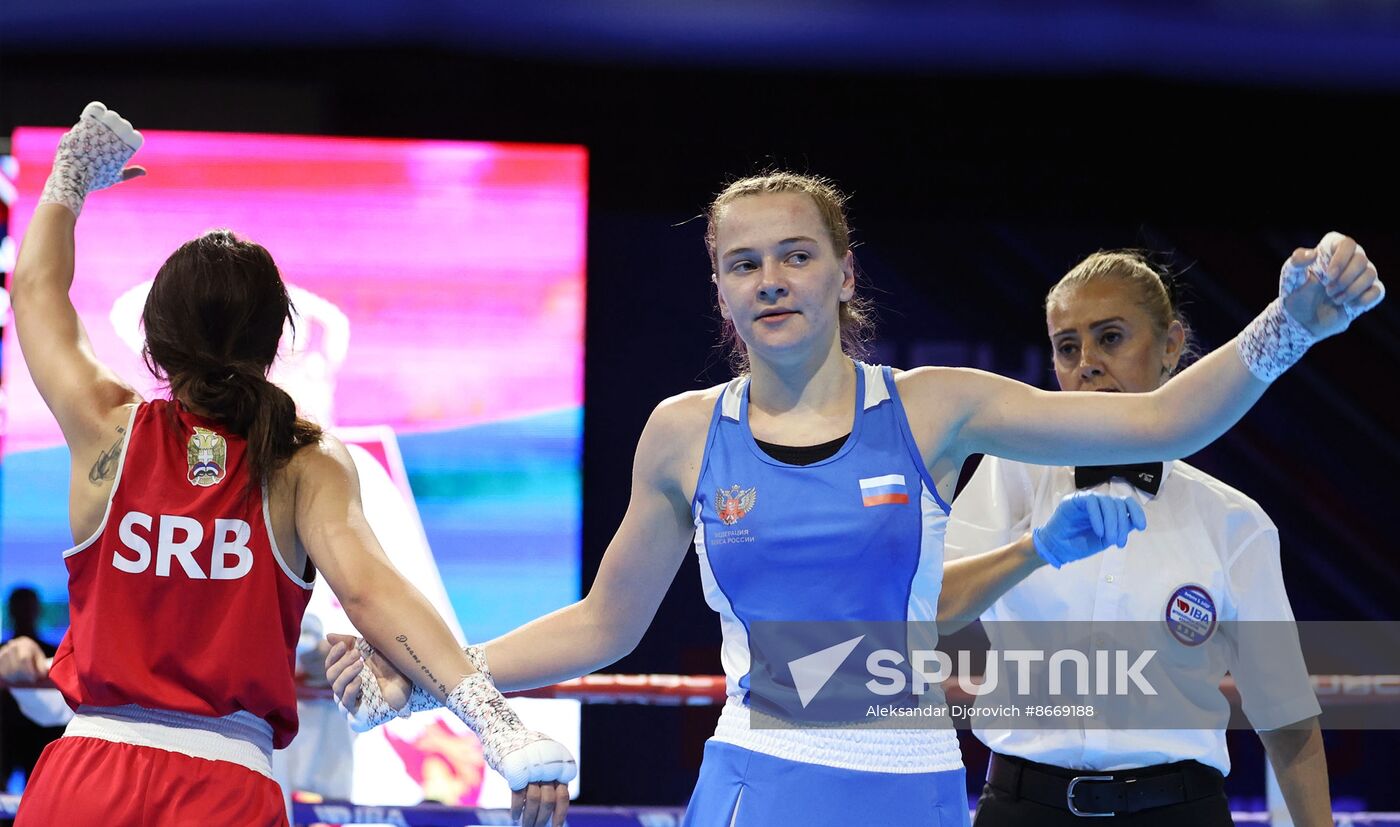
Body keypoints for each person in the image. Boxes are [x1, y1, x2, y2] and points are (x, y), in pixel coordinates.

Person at [328, 171, 1382, 827]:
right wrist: (436, 678)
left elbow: (1162, 424)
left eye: (795, 254)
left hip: (913, 787)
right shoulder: (683, 430)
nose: (771, 278)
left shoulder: (933, 409)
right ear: (720, 288)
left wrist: (1289, 328)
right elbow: (603, 622)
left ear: (841, 272)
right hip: (760, 776)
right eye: (743, 263)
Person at [7, 102, 574, 827]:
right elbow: (375, 596)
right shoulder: (303, 462)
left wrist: (69, 180)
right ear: (276, 339)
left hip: (84, 782)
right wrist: (500, 728)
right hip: (224, 794)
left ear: (154, 338)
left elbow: (34, 293)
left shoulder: (103, 428)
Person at [942, 251, 1331, 826]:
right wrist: (1034, 549)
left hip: (1179, 810)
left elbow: (1287, 719)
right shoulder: (1010, 474)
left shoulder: (1232, 520)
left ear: (1172, 346)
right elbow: (934, 607)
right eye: (1067, 347)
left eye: (1111, 338)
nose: (1087, 365)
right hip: (1023, 807)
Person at [0, 589, 65, 788]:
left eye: (29, 605)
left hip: (42, 735)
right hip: (5, 732)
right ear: (11, 610)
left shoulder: (58, 653)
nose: (25, 611)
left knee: (42, 788)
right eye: (20, 605)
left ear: (38, 610)